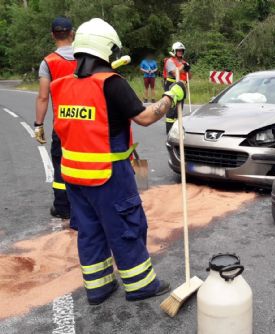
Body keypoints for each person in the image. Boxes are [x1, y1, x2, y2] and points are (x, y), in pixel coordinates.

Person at [50, 18, 186, 305]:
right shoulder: (112, 84)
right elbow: (146, 117)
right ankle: (140, 285)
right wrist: (171, 96)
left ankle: (98, 288)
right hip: (107, 175)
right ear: (106, 49)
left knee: (89, 231)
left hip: (73, 177)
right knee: (126, 227)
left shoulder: (62, 85)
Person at [34, 17, 77, 220]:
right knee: (87, 164)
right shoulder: (85, 56)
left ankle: (62, 206)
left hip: (62, 125)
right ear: (72, 33)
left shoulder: (48, 62)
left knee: (61, 164)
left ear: (53, 35)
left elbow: (43, 97)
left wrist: (38, 125)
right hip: (88, 123)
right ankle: (85, 207)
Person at [163, 41, 192, 135]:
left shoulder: (184, 62)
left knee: (179, 109)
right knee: (171, 108)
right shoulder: (169, 61)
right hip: (171, 86)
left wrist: (188, 69)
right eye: (178, 51)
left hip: (182, 86)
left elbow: (190, 77)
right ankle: (169, 130)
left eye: (181, 51)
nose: (180, 52)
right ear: (174, 51)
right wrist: (183, 66)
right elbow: (175, 73)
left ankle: (177, 129)